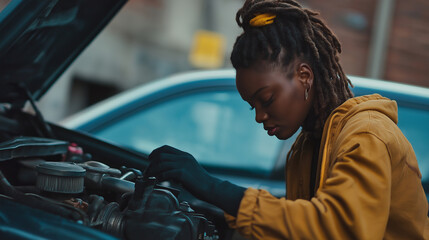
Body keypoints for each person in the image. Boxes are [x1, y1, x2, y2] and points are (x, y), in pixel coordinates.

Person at [146, 0, 429, 239]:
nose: (259, 116)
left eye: (266, 99)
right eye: (251, 106)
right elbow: (299, 228)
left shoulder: (367, 134)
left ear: (304, 76)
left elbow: (339, 228)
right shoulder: (304, 148)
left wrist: (212, 187)